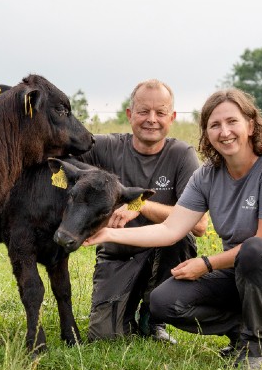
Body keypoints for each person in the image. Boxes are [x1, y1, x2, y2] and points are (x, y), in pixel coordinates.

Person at [84, 88, 262, 370]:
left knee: (256, 249)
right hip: (240, 274)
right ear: (206, 133)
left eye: (232, 122)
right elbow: (170, 229)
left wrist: (206, 264)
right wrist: (108, 234)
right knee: (163, 302)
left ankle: (258, 351)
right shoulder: (206, 175)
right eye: (214, 125)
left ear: (251, 125)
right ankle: (243, 331)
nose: (224, 132)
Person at [78, 79, 206, 343]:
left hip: (161, 254)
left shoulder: (182, 156)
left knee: (181, 236)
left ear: (171, 117)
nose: (151, 119)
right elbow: (60, 157)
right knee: (104, 337)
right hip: (118, 254)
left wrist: (139, 204)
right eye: (143, 111)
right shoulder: (105, 147)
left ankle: (153, 318)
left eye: (160, 113)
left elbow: (199, 225)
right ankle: (122, 314)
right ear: (129, 114)